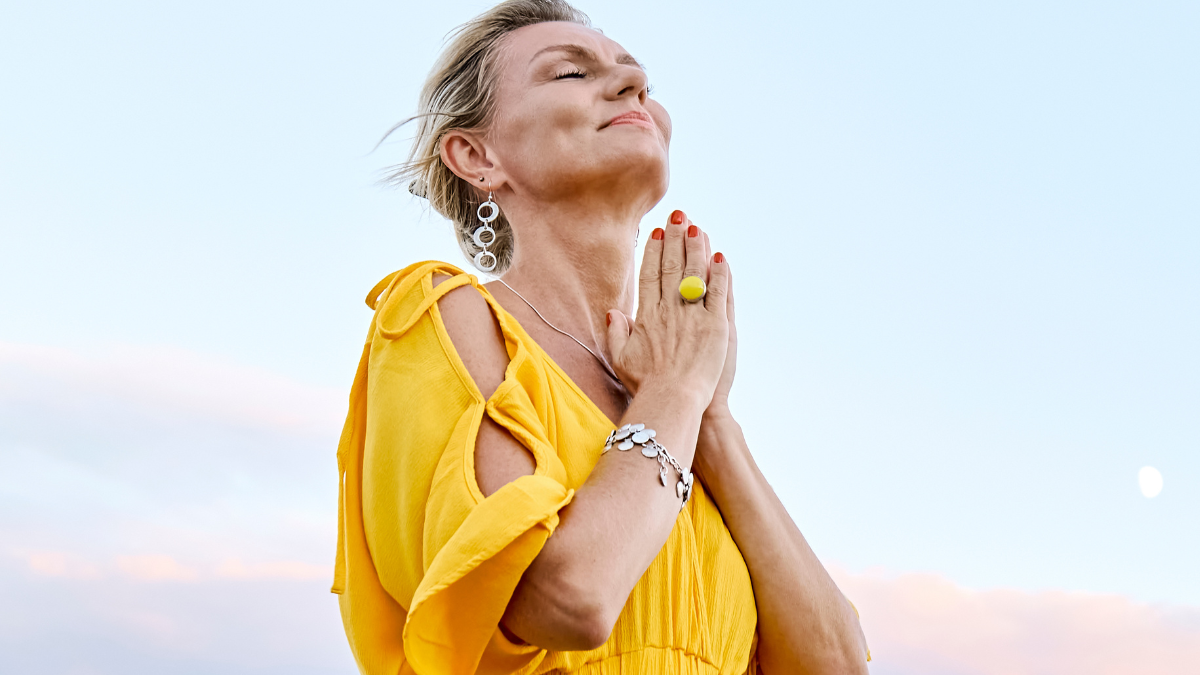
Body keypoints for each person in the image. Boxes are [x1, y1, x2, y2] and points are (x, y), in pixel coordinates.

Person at [331, 1, 871, 672]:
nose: (632, 84)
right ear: (476, 155)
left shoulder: (681, 402)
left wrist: (711, 418)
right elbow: (569, 598)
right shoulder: (441, 315)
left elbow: (839, 664)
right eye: (570, 73)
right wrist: (674, 391)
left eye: (637, 75)